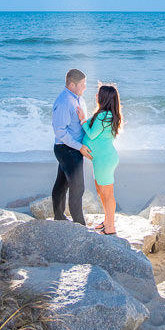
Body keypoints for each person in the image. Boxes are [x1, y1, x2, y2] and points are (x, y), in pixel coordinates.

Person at [76, 83, 122, 235]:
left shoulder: (103, 115)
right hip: (103, 159)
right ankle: (107, 221)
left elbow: (91, 134)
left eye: (98, 94)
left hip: (104, 160)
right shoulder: (107, 114)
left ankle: (110, 227)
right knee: (101, 191)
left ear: (103, 97)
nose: (96, 96)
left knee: (107, 194)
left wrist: (82, 119)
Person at [51, 68, 93, 225]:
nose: (85, 87)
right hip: (67, 149)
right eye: (82, 84)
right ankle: (80, 225)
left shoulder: (77, 98)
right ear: (72, 84)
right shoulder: (64, 102)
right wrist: (79, 147)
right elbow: (60, 132)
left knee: (62, 183)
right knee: (78, 188)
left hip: (73, 148)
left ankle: (59, 217)